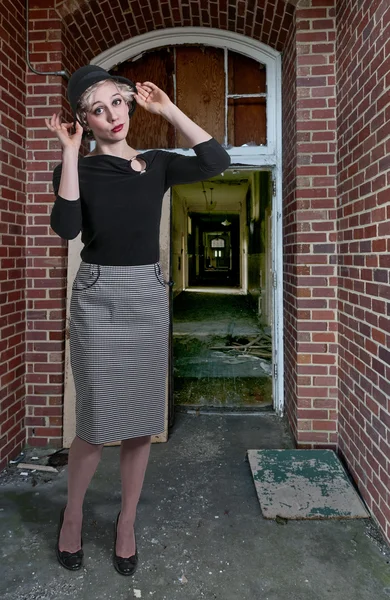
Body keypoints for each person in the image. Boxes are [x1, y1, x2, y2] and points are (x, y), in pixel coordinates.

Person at [45, 64, 230, 576]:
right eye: (97, 109)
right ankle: (74, 516)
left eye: (117, 102)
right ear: (84, 120)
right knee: (97, 421)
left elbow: (216, 158)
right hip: (99, 295)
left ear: (130, 103)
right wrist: (69, 152)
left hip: (146, 294)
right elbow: (65, 228)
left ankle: (126, 522)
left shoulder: (159, 163)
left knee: (140, 423)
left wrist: (168, 109)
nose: (112, 116)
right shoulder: (77, 168)